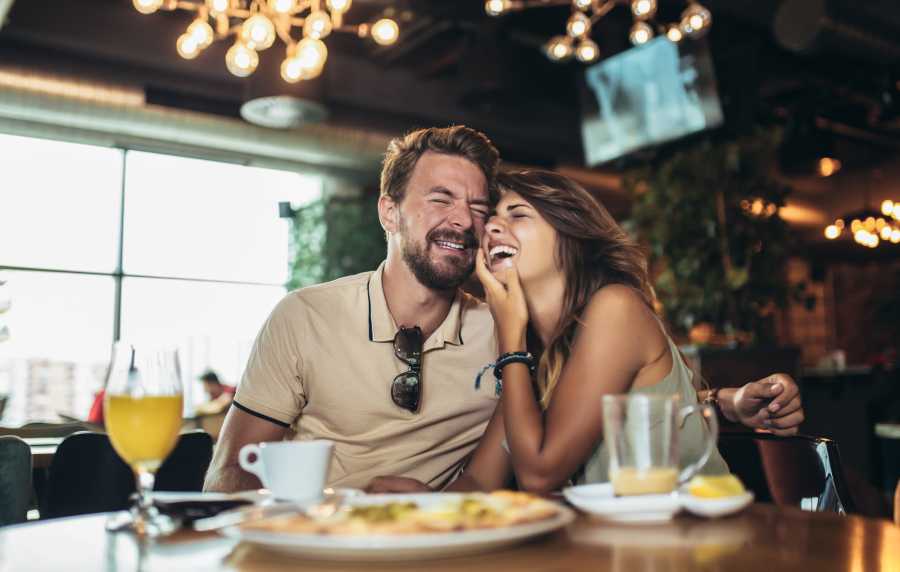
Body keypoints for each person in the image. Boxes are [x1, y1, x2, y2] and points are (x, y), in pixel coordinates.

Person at [204, 126, 803, 493]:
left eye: (489, 209)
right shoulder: (304, 317)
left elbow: (582, 429)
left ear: (567, 236)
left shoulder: (510, 330)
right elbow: (231, 472)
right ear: (389, 213)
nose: (471, 223)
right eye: (441, 198)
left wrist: (721, 402)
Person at [370, 170, 803, 494]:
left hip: (698, 547)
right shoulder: (537, 357)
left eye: (518, 215)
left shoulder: (614, 308)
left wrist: (510, 336)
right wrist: (422, 504)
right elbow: (482, 481)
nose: (491, 228)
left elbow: (541, 472)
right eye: (493, 218)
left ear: (571, 240)